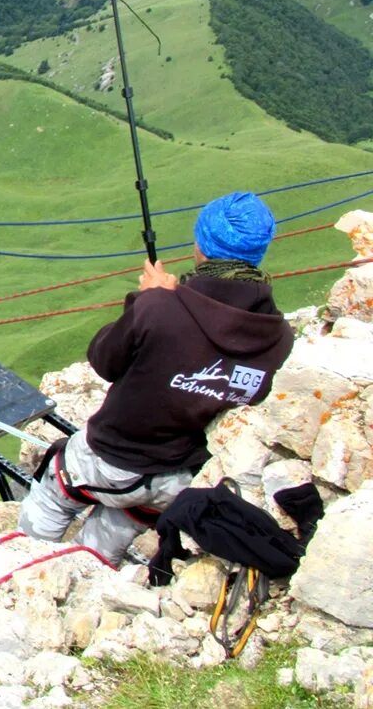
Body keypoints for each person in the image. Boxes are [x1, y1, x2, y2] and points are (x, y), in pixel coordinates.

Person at [17, 192, 294, 565]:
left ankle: (23, 568)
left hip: (111, 458)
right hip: (177, 478)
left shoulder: (159, 307)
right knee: (123, 519)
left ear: (201, 245)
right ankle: (85, 569)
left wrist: (146, 299)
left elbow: (104, 359)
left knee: (53, 493)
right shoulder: (278, 336)